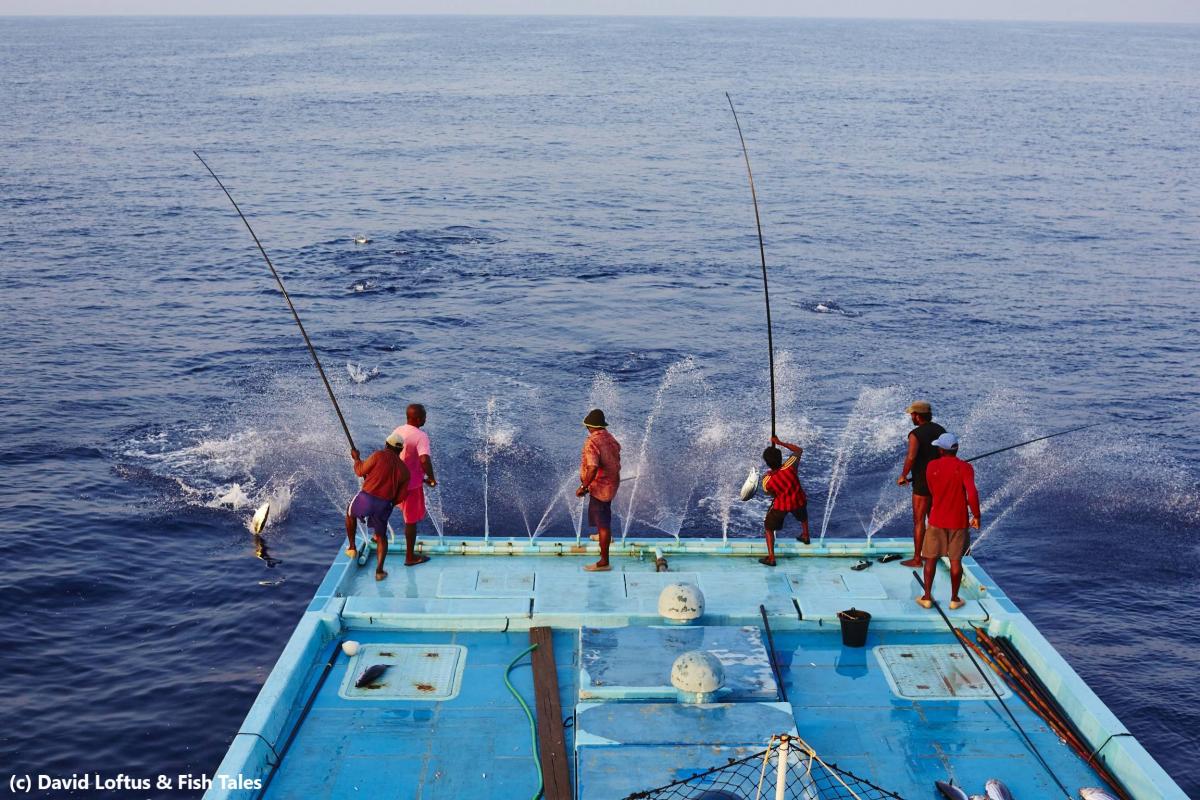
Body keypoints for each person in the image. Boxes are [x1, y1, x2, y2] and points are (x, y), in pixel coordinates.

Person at [916, 432, 980, 610]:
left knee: (930, 559)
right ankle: (954, 599)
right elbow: (972, 493)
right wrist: (976, 516)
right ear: (956, 449)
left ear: (941, 450)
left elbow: (931, 489)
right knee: (955, 561)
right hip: (958, 521)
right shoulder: (966, 468)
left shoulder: (931, 466)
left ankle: (927, 597)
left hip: (936, 520)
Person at [345, 431, 409, 581]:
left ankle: (352, 547)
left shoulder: (378, 455)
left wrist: (356, 459)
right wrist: (390, 503)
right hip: (384, 505)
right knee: (381, 537)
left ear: (386, 444)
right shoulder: (405, 471)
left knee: (349, 513)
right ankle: (379, 571)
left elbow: (360, 471)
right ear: (400, 450)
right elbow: (401, 496)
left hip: (366, 498)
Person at [897, 400, 946, 568]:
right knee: (933, 519)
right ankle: (936, 553)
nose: (911, 417)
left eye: (912, 414)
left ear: (918, 416)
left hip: (922, 482)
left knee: (919, 521)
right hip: (939, 481)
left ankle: (918, 559)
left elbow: (911, 457)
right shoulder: (941, 430)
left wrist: (903, 475)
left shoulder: (915, 434)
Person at [389, 403, 437, 567]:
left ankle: (376, 535)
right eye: (424, 416)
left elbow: (388, 451)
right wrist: (431, 478)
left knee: (387, 506)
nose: (425, 418)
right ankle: (410, 557)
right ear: (417, 418)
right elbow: (424, 459)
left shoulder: (398, 430)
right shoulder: (421, 436)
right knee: (410, 521)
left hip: (395, 481)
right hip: (411, 486)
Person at [575, 408, 621, 572]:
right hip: (611, 484)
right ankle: (603, 536)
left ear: (590, 426)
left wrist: (583, 486)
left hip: (600, 486)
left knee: (603, 522)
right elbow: (616, 456)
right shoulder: (610, 437)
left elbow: (593, 467)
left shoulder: (592, 442)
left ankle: (604, 562)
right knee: (601, 513)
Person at [757, 434, 810, 566]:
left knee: (768, 527)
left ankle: (771, 558)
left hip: (781, 506)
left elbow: (769, 493)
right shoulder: (790, 466)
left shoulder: (766, 479)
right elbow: (798, 450)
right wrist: (779, 442)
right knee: (803, 516)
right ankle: (805, 536)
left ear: (767, 463)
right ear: (780, 458)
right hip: (799, 500)